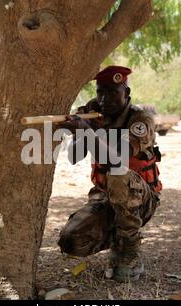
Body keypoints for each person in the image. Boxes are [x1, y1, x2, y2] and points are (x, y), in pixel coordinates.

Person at [56, 66, 162, 282]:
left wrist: (88, 130)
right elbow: (74, 157)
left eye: (113, 92)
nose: (105, 98)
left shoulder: (140, 120)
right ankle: (116, 240)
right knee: (71, 241)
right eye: (100, 92)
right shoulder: (93, 112)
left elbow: (118, 158)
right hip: (105, 197)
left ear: (127, 93)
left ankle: (130, 249)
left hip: (141, 199)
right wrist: (79, 132)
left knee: (117, 173)